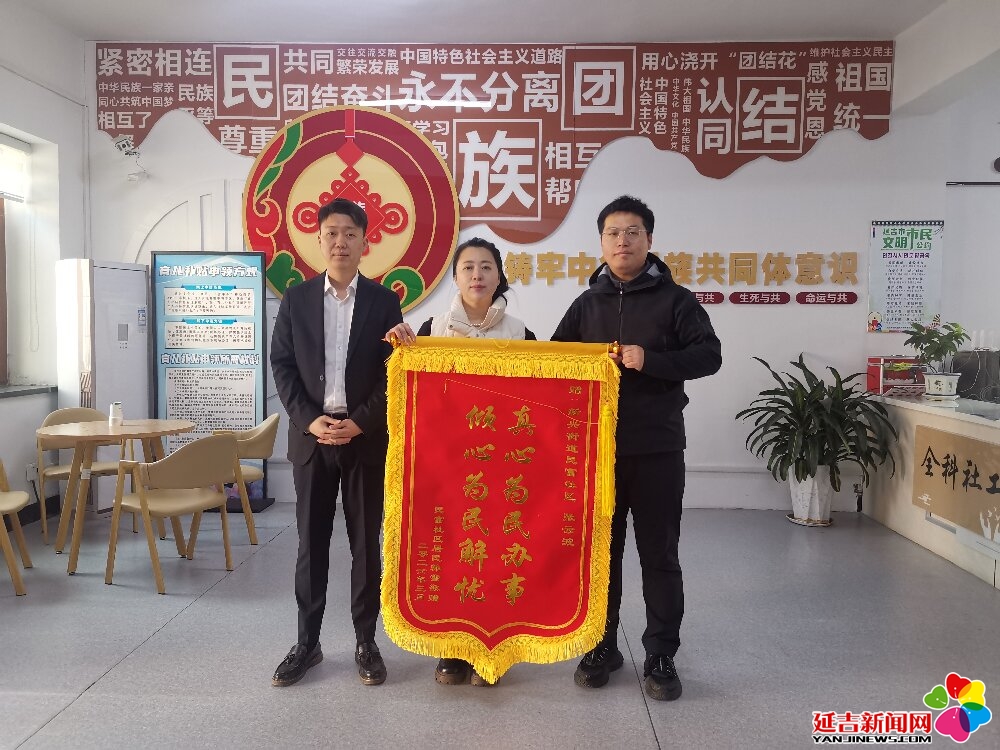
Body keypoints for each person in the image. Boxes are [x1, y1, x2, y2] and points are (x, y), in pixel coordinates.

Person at [551, 195, 722, 701]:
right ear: (601, 243)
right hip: (596, 453)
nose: (622, 242)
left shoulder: (677, 300)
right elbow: (552, 363)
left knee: (659, 555)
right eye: (612, 233)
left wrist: (653, 360)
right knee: (600, 556)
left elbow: (709, 356)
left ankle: (661, 652)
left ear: (649, 240)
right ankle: (601, 645)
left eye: (632, 233)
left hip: (657, 449)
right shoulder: (587, 305)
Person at [385, 237, 534, 686]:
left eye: (486, 266)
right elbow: (409, 393)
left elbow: (534, 400)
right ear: (455, 277)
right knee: (453, 552)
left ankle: (492, 651)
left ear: (499, 275)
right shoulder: (430, 330)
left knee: (495, 557)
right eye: (468, 267)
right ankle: (452, 650)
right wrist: (398, 346)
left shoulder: (521, 333)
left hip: (502, 466)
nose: (477, 275)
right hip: (450, 467)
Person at [270, 198, 404, 688]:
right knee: (312, 544)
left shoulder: (383, 302)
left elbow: (393, 371)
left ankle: (366, 642)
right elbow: (282, 366)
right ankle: (307, 643)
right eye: (332, 233)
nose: (340, 242)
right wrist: (310, 421)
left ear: (365, 241)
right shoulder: (296, 299)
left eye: (350, 233)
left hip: (362, 439)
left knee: (366, 545)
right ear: (319, 240)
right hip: (313, 440)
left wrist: (361, 422)